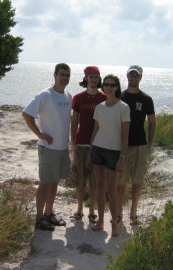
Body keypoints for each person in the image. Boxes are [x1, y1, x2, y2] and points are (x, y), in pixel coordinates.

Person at [22, 63, 72, 231]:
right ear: (55, 75)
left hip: (62, 148)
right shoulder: (46, 94)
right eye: (61, 74)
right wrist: (40, 134)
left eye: (67, 75)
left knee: (54, 182)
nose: (64, 77)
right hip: (48, 148)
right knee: (45, 183)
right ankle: (39, 218)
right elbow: (27, 114)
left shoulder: (67, 95)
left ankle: (49, 214)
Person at [87, 74, 130, 237]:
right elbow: (95, 130)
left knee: (112, 190)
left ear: (117, 87)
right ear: (102, 86)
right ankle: (100, 222)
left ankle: (114, 226)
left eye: (112, 85)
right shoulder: (100, 107)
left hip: (113, 152)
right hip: (98, 149)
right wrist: (90, 152)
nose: (108, 87)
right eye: (106, 84)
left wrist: (122, 157)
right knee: (100, 187)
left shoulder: (123, 108)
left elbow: (126, 135)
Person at [117, 65, 156, 226]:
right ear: (127, 76)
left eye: (136, 76)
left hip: (140, 144)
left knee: (137, 180)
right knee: (121, 180)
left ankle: (133, 212)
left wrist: (150, 143)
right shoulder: (120, 96)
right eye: (131, 75)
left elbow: (152, 122)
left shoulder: (146, 99)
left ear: (140, 78)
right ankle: (118, 212)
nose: (133, 78)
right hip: (121, 145)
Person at [70, 66, 106, 223]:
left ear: (99, 79)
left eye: (96, 76)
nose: (93, 79)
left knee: (95, 181)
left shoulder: (104, 98)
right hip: (81, 143)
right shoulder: (78, 98)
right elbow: (74, 120)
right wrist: (72, 141)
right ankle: (79, 209)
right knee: (80, 179)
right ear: (86, 78)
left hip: (99, 145)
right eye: (91, 77)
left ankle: (92, 210)